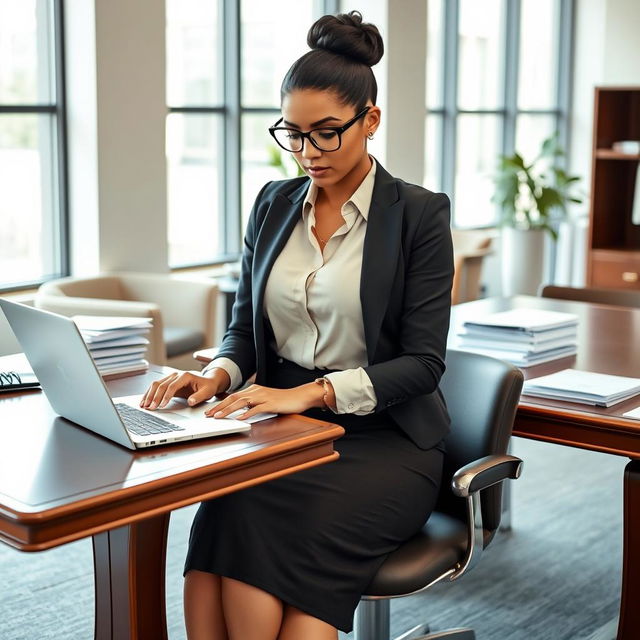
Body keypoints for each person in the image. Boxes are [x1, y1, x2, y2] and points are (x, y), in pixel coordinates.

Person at [141, 11, 453, 640]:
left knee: (265, 540)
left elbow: (423, 365)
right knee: (221, 523)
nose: (309, 153)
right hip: (284, 428)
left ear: (371, 120)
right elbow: (242, 327)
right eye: (294, 133)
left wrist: (309, 392)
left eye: (327, 133)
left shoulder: (418, 214)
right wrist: (220, 373)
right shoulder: (272, 203)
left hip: (384, 440)